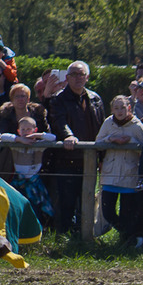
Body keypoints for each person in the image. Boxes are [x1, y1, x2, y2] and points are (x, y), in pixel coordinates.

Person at [47, 60, 105, 233]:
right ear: (67, 77)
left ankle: (84, 235)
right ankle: (64, 236)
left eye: (81, 74)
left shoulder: (95, 98)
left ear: (87, 77)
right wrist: (68, 136)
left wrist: (102, 157)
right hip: (67, 159)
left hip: (89, 160)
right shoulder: (59, 99)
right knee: (67, 201)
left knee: (87, 199)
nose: (78, 78)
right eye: (73, 74)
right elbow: (58, 121)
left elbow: (101, 127)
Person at [96, 95, 143, 245]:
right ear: (111, 109)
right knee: (108, 212)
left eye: (123, 107)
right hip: (110, 173)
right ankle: (130, 236)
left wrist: (130, 142)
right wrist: (110, 140)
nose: (119, 111)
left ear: (129, 108)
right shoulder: (108, 123)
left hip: (129, 174)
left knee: (126, 214)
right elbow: (97, 143)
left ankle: (126, 242)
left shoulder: (137, 126)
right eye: (116, 108)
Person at [0, 116, 56, 223]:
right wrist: (20, 139)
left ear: (35, 129)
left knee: (36, 207)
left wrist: (36, 135)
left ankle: (38, 227)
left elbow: (52, 137)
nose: (26, 132)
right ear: (18, 131)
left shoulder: (39, 145)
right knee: (18, 205)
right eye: (23, 129)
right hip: (19, 180)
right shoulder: (15, 144)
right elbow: (4, 136)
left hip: (34, 181)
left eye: (29, 129)